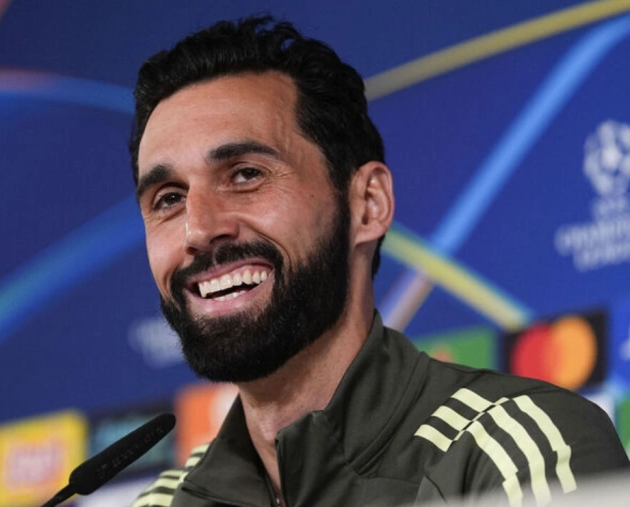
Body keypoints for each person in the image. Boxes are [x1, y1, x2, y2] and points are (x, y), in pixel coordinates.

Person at [128, 16, 629, 507]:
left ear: (367, 204)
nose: (198, 228)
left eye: (245, 175)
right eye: (168, 199)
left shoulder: (519, 456)